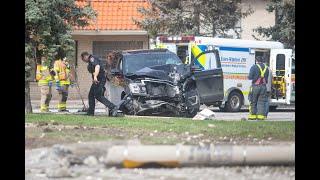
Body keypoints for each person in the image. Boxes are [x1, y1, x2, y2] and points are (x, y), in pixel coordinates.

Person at [80, 51, 119, 116]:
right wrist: (94, 77)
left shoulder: (92, 58)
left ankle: (113, 107)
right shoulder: (90, 61)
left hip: (100, 80)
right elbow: (93, 71)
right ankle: (90, 112)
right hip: (96, 81)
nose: (83, 61)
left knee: (98, 96)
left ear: (85, 56)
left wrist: (95, 77)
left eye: (83, 59)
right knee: (91, 95)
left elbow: (97, 66)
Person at [248, 56, 269, 120]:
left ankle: (253, 116)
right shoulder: (266, 68)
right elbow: (266, 79)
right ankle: (260, 116)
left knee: (253, 101)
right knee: (261, 102)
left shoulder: (254, 67)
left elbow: (250, 77)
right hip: (263, 87)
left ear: (256, 60)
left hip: (255, 86)